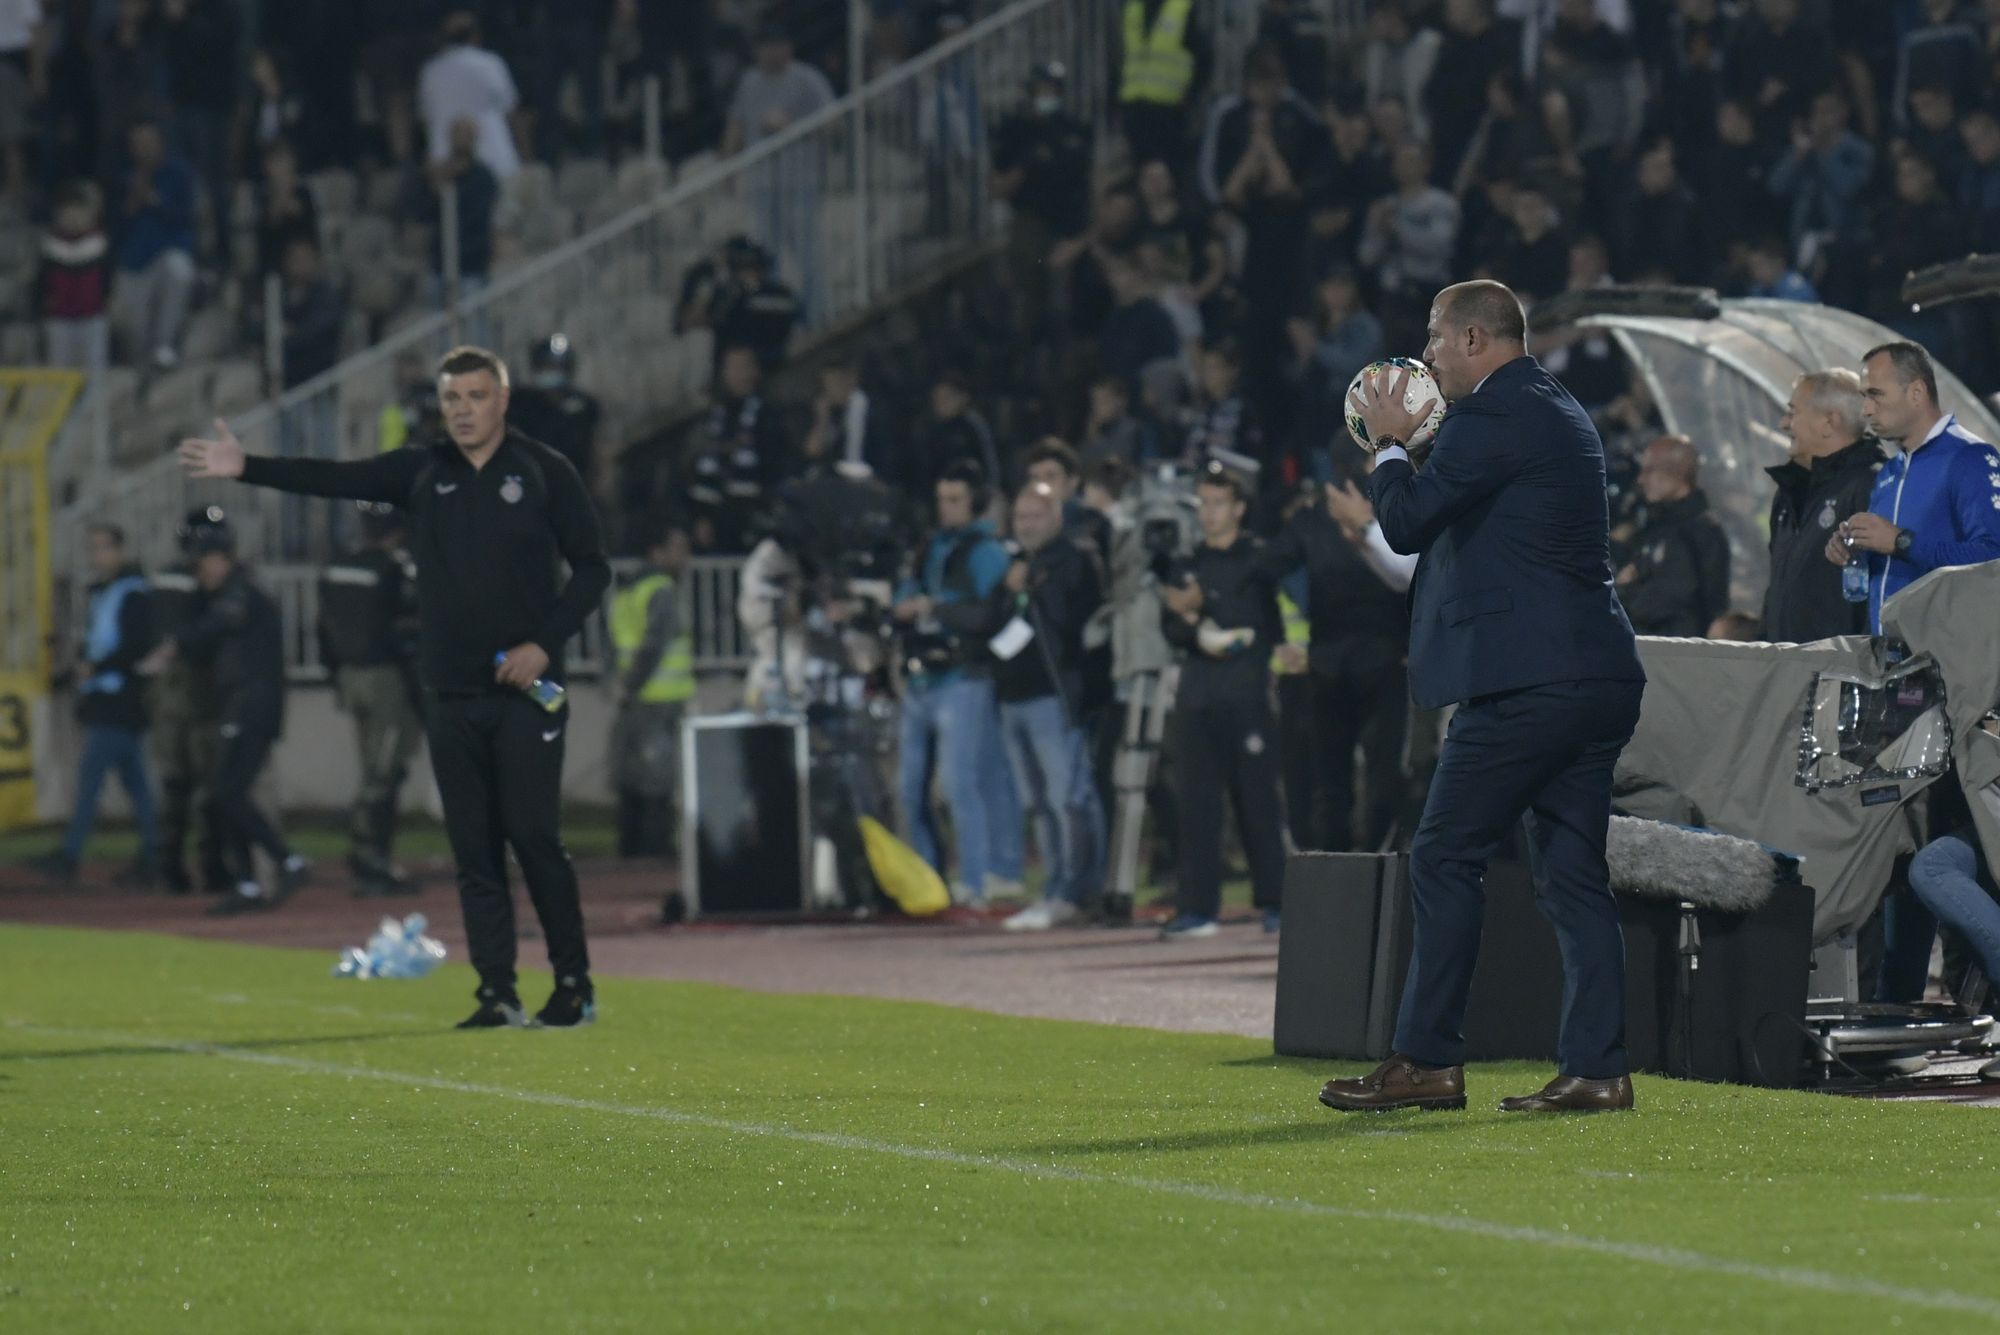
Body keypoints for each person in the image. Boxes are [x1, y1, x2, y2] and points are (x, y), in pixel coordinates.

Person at [176, 345, 613, 1029]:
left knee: (533, 836)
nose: (463, 410)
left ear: (502, 400)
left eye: (475, 396)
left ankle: (573, 984)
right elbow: (332, 476)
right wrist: (246, 467)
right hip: (449, 693)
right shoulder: (421, 471)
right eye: (452, 399)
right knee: (474, 849)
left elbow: (592, 569)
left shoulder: (544, 471)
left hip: (527, 693)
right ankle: (496, 990)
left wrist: (542, 644)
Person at [1322, 280, 1646, 1115]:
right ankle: (1598, 1066)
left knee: (1441, 854)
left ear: (1474, 338)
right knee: (1572, 877)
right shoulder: (1546, 406)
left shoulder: (1497, 413)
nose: (1426, 355)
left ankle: (1428, 1058)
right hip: (1589, 673)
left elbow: (1407, 522)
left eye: (1434, 338)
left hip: (1529, 684)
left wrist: (1391, 446)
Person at [1824, 341, 2000, 1004]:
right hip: (1896, 690)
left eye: (1875, 393)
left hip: (1961, 694)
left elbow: (1993, 561)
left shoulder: (1971, 460)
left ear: (1917, 391)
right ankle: (1898, 1006)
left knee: (1960, 843)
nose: (1866, 407)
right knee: (1899, 852)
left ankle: (1970, 997)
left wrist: (1899, 542)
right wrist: (1851, 558)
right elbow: (1878, 593)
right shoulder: (1889, 474)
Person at [139, 508, 309, 916]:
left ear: (220, 559)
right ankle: (249, 882)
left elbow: (217, 625)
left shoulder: (240, 591)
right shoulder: (238, 590)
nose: (200, 575)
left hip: (252, 703)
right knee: (227, 793)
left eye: (203, 565)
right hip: (244, 701)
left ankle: (285, 862)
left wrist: (172, 647)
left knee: (230, 791)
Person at [1156, 463, 1287, 938]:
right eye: (1203, 503)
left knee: (1259, 803)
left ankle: (1276, 902)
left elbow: (1264, 624)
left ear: (1238, 507)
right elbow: (1169, 626)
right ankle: (1197, 908)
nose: (1208, 513)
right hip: (1197, 697)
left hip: (1247, 693)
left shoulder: (1260, 558)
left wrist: (1199, 614)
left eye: (1217, 503)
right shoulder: (1186, 561)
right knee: (1196, 805)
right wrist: (1192, 624)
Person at [969, 483, 1106, 930]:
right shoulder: (1015, 565)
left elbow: (1072, 623)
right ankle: (1053, 887)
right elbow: (988, 625)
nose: (1027, 525)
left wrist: (1034, 587)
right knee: (1040, 803)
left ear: (1057, 517)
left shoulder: (1073, 559)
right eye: (1021, 517)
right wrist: (1009, 589)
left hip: (1055, 695)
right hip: (1013, 698)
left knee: (1070, 799)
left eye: (1036, 516)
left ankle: (1077, 890)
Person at [1254, 472, 1410, 854]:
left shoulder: (1312, 520)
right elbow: (1418, 574)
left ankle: (1335, 882)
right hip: (1381, 663)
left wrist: (1276, 639)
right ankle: (1374, 869)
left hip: (1330, 666)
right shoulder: (1396, 508)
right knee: (1380, 779)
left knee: (1331, 785)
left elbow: (1261, 572)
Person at [892, 461, 1024, 901]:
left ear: (976, 503)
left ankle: (975, 878)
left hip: (963, 677)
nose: (946, 509)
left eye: (955, 500)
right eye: (942, 500)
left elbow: (991, 613)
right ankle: (932, 878)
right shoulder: (930, 546)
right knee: (910, 786)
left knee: (961, 783)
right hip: (921, 680)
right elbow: (905, 594)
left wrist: (934, 608)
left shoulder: (986, 551)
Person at [30, 525, 156, 885]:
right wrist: (75, 672)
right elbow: (98, 645)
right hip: (110, 698)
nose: (97, 556)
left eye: (103, 548)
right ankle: (154, 853)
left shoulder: (132, 594)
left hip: (118, 700)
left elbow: (132, 648)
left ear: (120, 550)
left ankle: (70, 854)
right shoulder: (108, 593)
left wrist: (94, 668)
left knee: (91, 781)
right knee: (137, 784)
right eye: (93, 548)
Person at [317, 502, 423, 897]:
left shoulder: (337, 564)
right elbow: (409, 626)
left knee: (373, 766)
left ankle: (369, 854)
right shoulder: (396, 567)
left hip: (349, 676)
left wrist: (335, 673)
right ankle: (370, 857)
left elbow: (323, 626)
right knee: (384, 771)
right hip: (385, 679)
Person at [1763, 369, 1880, 643]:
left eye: (1793, 412)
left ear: (1829, 422)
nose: (1783, 423)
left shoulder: (1871, 486)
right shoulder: (1789, 493)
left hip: (1840, 674)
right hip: (1785, 671)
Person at [148, 515, 229, 896]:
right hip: (200, 693)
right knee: (207, 785)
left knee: (173, 784)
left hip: (165, 692)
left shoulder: (161, 579)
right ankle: (211, 867)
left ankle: (167, 867)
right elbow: (209, 636)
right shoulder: (206, 583)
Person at [610, 520, 694, 860]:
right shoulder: (660, 589)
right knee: (659, 782)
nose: (685, 556)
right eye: (678, 548)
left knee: (632, 779)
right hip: (659, 699)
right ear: (657, 552)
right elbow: (654, 644)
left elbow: (615, 645)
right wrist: (633, 685)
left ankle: (630, 851)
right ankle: (654, 853)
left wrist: (620, 687)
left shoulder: (627, 590)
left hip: (635, 700)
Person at [1614, 435, 1731, 638]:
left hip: (1678, 657)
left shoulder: (1702, 532)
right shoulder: (1656, 526)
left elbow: (1670, 598)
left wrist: (1622, 594)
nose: (1641, 479)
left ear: (1679, 472)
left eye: (1650, 470)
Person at [113, 118, 197, 371]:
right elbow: (115, 229)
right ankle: (139, 366)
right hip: (135, 261)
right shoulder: (123, 179)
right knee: (133, 332)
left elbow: (186, 217)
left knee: (180, 271)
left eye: (149, 141)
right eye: (138, 144)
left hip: (169, 253)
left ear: (160, 142)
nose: (145, 148)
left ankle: (165, 345)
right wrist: (132, 203)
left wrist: (154, 200)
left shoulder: (179, 173)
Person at [418, 10, 522, 180]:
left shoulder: (431, 70)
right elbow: (510, 108)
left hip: (444, 160)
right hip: (494, 157)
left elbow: (425, 117)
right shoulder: (490, 64)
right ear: (475, 35)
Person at [508, 334, 602, 486]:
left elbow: (591, 451)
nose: (552, 372)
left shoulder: (583, 406)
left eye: (557, 367)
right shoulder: (520, 404)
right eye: (547, 366)